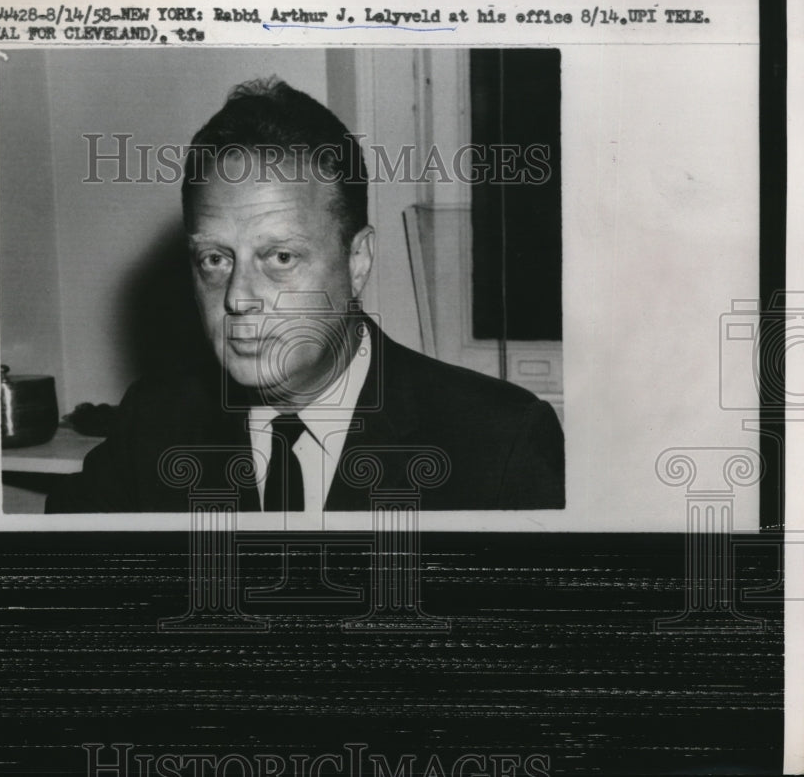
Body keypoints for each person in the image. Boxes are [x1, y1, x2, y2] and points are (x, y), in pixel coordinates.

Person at [46, 78, 564, 514]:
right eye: (215, 259)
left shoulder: (501, 443)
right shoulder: (155, 423)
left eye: (281, 258)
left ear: (356, 262)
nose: (239, 298)